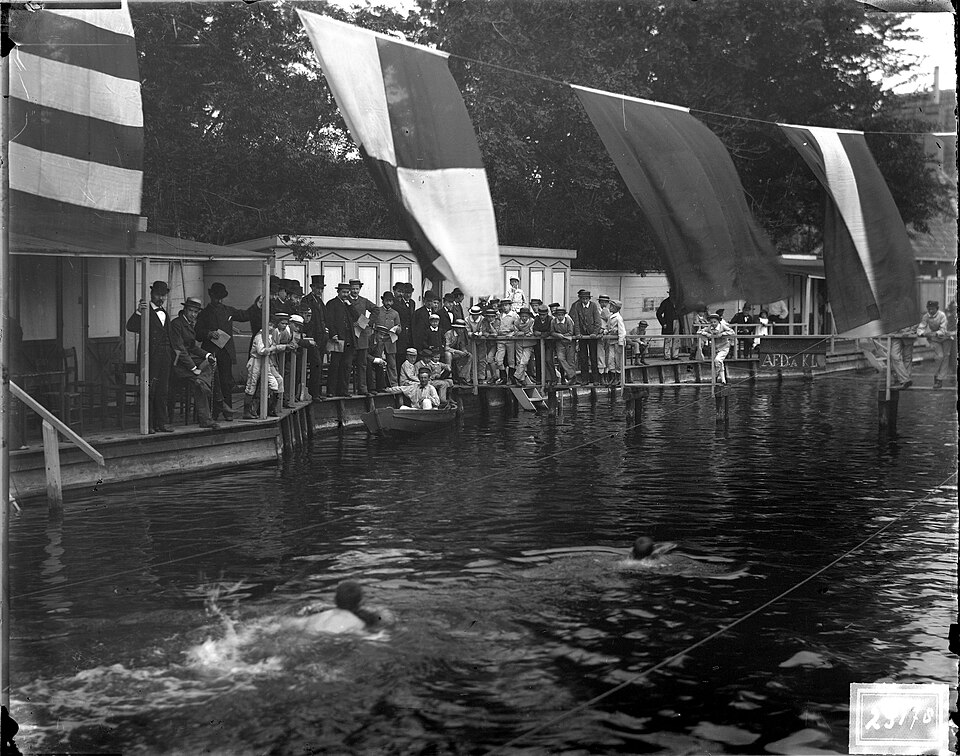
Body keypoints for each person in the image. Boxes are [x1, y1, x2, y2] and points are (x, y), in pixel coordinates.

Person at [195, 282, 260, 421]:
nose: (218, 301)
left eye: (221, 298)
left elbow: (244, 315)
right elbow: (197, 333)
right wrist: (208, 333)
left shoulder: (228, 310)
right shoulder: (204, 314)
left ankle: (228, 412)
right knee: (212, 382)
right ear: (211, 296)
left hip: (226, 352)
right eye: (216, 298)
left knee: (226, 382)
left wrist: (257, 305)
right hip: (210, 352)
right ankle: (213, 412)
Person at [170, 297, 227, 429]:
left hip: (186, 363)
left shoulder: (190, 324)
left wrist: (207, 355)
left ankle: (214, 400)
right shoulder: (177, 324)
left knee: (210, 364)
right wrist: (193, 367)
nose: (193, 314)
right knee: (199, 382)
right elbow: (180, 349)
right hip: (177, 364)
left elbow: (192, 347)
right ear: (185, 309)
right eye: (191, 311)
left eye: (196, 312)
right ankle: (210, 414)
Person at [125, 280, 175, 433]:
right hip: (151, 357)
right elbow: (130, 326)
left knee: (162, 391)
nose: (161, 298)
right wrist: (139, 312)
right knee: (150, 390)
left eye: (163, 295)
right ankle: (149, 424)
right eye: (158, 295)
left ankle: (161, 423)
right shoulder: (145, 311)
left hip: (165, 357)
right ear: (152, 294)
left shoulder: (164, 312)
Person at [243, 311, 289, 418]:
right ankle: (247, 411)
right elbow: (261, 351)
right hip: (256, 361)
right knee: (251, 385)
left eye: (272, 325)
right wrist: (272, 348)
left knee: (274, 383)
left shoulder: (269, 336)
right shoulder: (260, 336)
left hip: (266, 362)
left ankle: (270, 408)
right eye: (269, 325)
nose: (271, 327)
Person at [325, 282, 359, 397]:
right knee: (335, 365)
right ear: (338, 292)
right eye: (343, 292)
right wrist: (333, 334)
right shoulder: (332, 304)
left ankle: (343, 391)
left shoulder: (348, 304)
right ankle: (331, 391)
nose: (345, 294)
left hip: (349, 339)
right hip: (337, 338)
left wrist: (350, 305)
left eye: (347, 292)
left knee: (346, 366)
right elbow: (329, 320)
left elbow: (357, 317)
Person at [348, 279, 378, 396]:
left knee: (363, 364)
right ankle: (345, 390)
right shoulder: (346, 300)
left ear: (360, 289)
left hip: (362, 336)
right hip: (350, 335)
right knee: (347, 363)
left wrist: (367, 322)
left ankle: (363, 388)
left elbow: (376, 309)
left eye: (357, 289)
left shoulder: (364, 301)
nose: (355, 291)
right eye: (353, 289)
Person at [302, 275, 328, 399]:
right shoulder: (306, 300)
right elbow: (306, 320)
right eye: (318, 288)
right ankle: (314, 393)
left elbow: (324, 318)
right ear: (312, 287)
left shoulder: (319, 301)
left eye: (322, 288)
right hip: (312, 338)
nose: (320, 291)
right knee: (316, 364)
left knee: (319, 365)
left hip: (321, 338)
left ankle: (317, 392)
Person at [569, 289, 602, 384]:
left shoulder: (593, 306)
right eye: (583, 299)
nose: (585, 301)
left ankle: (595, 380)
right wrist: (578, 333)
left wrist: (595, 333)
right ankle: (585, 379)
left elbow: (598, 321)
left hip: (592, 336)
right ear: (580, 299)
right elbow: (576, 321)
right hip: (582, 336)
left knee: (593, 357)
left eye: (586, 299)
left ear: (589, 299)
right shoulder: (577, 306)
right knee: (583, 357)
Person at [917, 300, 950, 389]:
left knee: (945, 357)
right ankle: (936, 376)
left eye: (932, 309)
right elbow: (921, 327)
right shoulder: (926, 316)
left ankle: (940, 380)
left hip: (945, 338)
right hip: (935, 339)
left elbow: (943, 330)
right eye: (929, 309)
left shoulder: (942, 315)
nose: (930, 311)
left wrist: (932, 333)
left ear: (937, 308)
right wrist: (922, 333)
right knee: (939, 356)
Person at [697, 312, 737, 384]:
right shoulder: (710, 328)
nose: (713, 324)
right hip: (715, 348)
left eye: (715, 322)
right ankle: (723, 380)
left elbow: (732, 332)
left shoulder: (722, 326)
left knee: (717, 360)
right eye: (711, 322)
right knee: (719, 362)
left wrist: (722, 334)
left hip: (724, 347)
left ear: (718, 321)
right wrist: (707, 334)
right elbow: (699, 331)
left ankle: (716, 375)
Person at [373, 291, 401, 388]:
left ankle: (393, 384)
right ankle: (378, 385)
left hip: (390, 341)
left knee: (392, 364)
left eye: (390, 301)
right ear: (382, 301)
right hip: (379, 340)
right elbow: (371, 323)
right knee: (378, 362)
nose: (388, 303)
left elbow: (399, 328)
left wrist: (396, 329)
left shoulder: (395, 313)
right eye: (386, 301)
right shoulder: (378, 311)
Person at [550, 305, 577, 384]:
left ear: (564, 315)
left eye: (562, 315)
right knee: (560, 358)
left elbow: (571, 332)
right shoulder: (553, 321)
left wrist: (563, 335)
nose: (560, 317)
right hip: (559, 342)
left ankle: (572, 379)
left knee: (570, 361)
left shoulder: (568, 320)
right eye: (558, 315)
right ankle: (572, 374)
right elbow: (552, 332)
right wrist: (557, 335)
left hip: (569, 343)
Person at [494, 298, 519, 384]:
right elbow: (496, 327)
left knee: (511, 360)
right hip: (500, 339)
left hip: (510, 340)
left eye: (506, 305)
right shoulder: (499, 316)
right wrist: (497, 332)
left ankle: (511, 377)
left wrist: (512, 333)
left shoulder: (514, 316)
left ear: (510, 306)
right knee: (498, 360)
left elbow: (517, 328)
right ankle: (503, 377)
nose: (504, 307)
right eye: (503, 306)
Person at [532, 304, 557, 385]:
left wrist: (541, 334)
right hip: (538, 344)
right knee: (538, 360)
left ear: (547, 314)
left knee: (548, 360)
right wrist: (541, 333)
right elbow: (535, 330)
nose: (542, 316)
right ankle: (539, 379)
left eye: (544, 315)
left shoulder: (551, 320)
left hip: (549, 344)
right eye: (540, 315)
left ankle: (553, 378)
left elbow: (550, 331)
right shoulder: (536, 319)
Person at [444, 318, 473, 385]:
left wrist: (465, 351)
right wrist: (457, 351)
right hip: (448, 352)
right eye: (459, 328)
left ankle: (462, 376)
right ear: (455, 328)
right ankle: (449, 374)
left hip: (456, 353)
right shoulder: (449, 333)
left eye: (462, 328)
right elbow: (446, 347)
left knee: (469, 356)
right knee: (448, 354)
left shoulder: (462, 334)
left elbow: (462, 346)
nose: (461, 330)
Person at [512, 306, 537, 387]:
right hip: (519, 343)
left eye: (526, 316)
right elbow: (516, 332)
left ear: (529, 316)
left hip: (529, 343)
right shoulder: (516, 321)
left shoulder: (532, 321)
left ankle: (516, 376)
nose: (524, 318)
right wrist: (524, 333)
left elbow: (531, 332)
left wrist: (522, 333)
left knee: (524, 361)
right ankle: (521, 379)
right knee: (519, 361)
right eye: (522, 316)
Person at [655, 290, 682, 360]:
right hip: (668, 323)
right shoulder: (665, 302)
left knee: (676, 339)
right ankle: (667, 355)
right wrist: (663, 323)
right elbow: (658, 313)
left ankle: (675, 355)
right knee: (668, 339)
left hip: (677, 321)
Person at [605, 299, 626, 384]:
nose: (609, 307)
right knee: (610, 359)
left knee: (618, 360)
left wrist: (621, 342)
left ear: (615, 308)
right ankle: (612, 377)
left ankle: (618, 378)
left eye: (611, 306)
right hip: (611, 341)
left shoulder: (618, 318)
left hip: (617, 342)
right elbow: (608, 327)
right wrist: (605, 331)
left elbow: (622, 331)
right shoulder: (610, 316)